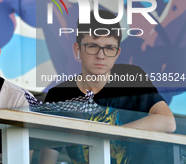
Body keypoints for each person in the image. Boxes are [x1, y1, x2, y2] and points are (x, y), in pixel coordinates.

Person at [41, 9, 176, 164]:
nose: (101, 55)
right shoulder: (58, 95)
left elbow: (168, 121)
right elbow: (47, 158)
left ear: (117, 53)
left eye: (109, 48)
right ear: (77, 50)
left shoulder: (131, 77)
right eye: (92, 46)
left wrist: (111, 134)